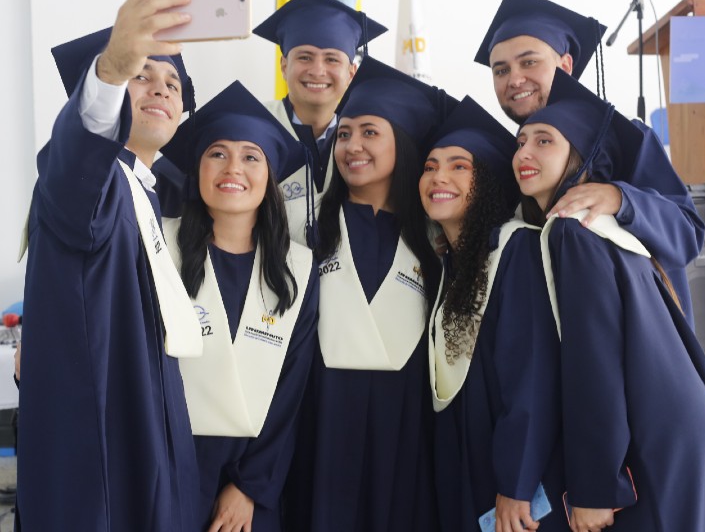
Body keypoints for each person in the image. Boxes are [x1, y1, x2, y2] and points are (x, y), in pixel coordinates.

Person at [17, 0, 203, 531]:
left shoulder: (147, 195)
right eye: (143, 75)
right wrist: (111, 69)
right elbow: (81, 153)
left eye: (172, 83)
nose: (159, 88)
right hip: (101, 453)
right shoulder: (91, 180)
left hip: (150, 435)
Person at [516, 68, 705, 532]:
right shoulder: (612, 228)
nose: (524, 153)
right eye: (521, 142)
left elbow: (596, 364)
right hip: (687, 428)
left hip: (658, 439)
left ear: (582, 157)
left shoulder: (572, 230)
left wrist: (595, 489)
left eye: (544, 141)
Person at [283, 56, 454, 532]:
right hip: (318, 432)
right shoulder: (304, 228)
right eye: (344, 133)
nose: (352, 146)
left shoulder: (436, 239)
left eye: (369, 132)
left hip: (408, 438)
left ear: (403, 141)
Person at [475, 0, 704, 327]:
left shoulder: (624, 139)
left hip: (636, 338)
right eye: (501, 70)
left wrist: (621, 198)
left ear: (565, 65)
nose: (514, 79)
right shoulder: (513, 160)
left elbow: (687, 233)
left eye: (529, 62)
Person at [160, 80, 319, 531]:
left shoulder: (298, 270)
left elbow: (291, 390)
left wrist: (250, 486)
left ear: (269, 175)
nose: (233, 168)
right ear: (198, 167)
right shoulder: (158, 247)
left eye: (251, 156)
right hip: (168, 460)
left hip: (253, 478)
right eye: (217, 153)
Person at [421, 96, 567, 532]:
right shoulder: (451, 264)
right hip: (465, 466)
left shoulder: (515, 249)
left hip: (509, 486)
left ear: (486, 181)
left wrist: (516, 483)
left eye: (458, 166)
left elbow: (532, 377)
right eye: (429, 166)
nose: (438, 176)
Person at [253, 0, 386, 202]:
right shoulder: (254, 126)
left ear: (351, 73)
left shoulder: (374, 138)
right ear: (284, 66)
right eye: (305, 57)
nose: (317, 71)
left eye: (332, 59)